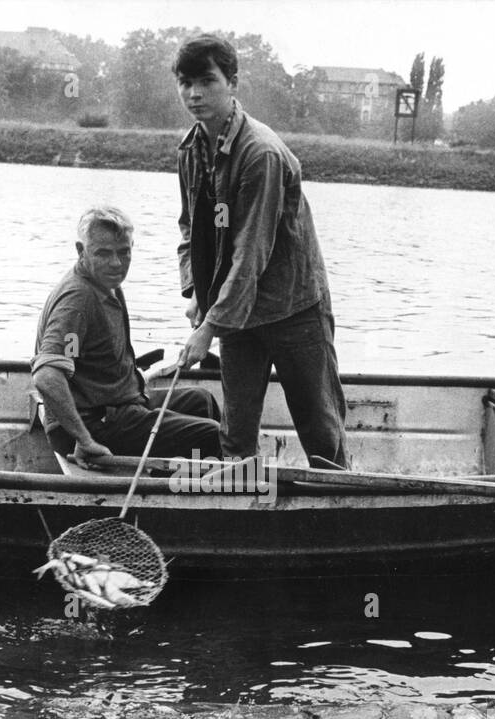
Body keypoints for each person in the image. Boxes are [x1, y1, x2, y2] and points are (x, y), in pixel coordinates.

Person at [173, 34, 348, 468]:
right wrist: (195, 289)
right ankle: (240, 514)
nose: (194, 94)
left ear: (231, 82)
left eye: (207, 81)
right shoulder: (192, 149)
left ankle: (340, 512)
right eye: (185, 82)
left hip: (294, 308)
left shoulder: (261, 154)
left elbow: (250, 253)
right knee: (236, 435)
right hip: (237, 312)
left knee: (320, 429)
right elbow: (191, 227)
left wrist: (209, 327)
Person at [32, 206, 222, 466]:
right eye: (103, 253)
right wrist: (85, 440)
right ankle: (214, 498)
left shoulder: (105, 284)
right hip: (90, 427)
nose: (116, 263)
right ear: (81, 251)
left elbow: (72, 357)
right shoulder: (78, 302)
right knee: (212, 435)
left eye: (124, 252)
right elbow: (47, 374)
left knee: (203, 402)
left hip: (116, 405)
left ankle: (179, 480)